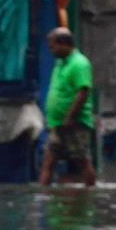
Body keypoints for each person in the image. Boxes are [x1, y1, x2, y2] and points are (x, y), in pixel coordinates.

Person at [38, 25, 97, 189]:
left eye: (53, 46)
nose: (51, 50)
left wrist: (70, 116)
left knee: (81, 160)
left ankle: (90, 192)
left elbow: (83, 92)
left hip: (75, 123)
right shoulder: (60, 63)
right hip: (57, 123)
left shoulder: (80, 63)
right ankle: (42, 195)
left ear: (64, 44)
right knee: (48, 160)